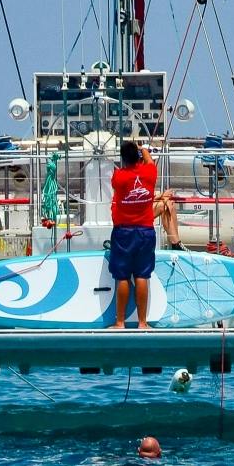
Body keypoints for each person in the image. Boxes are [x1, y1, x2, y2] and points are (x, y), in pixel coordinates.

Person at [108, 139, 158, 329]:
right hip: (145, 231)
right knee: (142, 275)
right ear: (137, 157)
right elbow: (150, 162)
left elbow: (116, 183)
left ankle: (120, 322)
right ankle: (142, 323)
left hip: (123, 232)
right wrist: (143, 149)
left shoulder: (118, 176)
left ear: (123, 159)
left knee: (122, 277)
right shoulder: (150, 172)